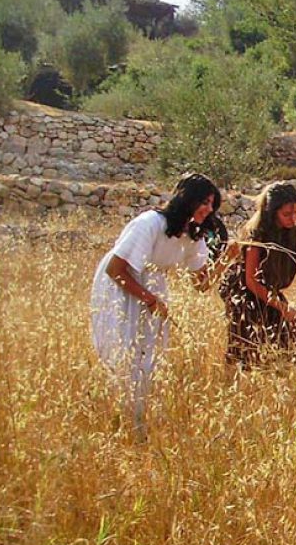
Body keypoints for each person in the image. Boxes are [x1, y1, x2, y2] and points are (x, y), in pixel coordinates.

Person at [90, 173, 223, 441]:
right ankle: (118, 423)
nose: (208, 209)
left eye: (212, 205)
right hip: (122, 287)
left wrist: (228, 259)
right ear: (188, 199)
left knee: (149, 358)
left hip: (153, 289)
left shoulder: (192, 235)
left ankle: (138, 424)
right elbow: (116, 269)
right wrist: (149, 299)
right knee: (123, 354)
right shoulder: (150, 223)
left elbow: (202, 284)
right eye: (205, 202)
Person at [220, 182, 296, 368]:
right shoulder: (257, 234)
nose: (294, 218)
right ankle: (235, 383)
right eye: (287, 214)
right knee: (246, 344)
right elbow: (251, 280)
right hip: (244, 291)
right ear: (272, 212)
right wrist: (283, 307)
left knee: (288, 340)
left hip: (270, 290)